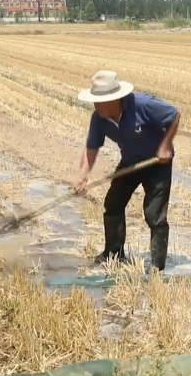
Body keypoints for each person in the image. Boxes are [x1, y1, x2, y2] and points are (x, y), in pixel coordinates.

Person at [73, 70, 180, 272]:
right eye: (94, 100)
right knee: (113, 203)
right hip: (130, 162)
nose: (96, 105)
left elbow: (174, 115)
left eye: (100, 101)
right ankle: (113, 254)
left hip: (156, 164)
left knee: (154, 214)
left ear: (116, 99)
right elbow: (92, 147)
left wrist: (165, 145)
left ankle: (157, 265)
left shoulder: (143, 105)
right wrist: (83, 176)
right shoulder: (99, 118)